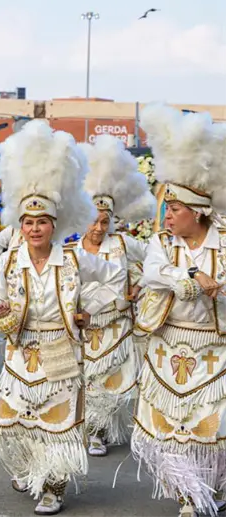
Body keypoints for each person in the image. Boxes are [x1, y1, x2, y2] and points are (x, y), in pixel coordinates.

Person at [0, 120, 126, 515]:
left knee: (58, 426)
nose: (34, 229)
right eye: (28, 222)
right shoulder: (10, 259)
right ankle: (29, 468)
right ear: (21, 225)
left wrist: (90, 312)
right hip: (19, 349)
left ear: (55, 225)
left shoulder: (73, 257)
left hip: (62, 348)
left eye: (42, 222)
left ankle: (53, 487)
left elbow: (114, 279)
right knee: (14, 421)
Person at [130, 104, 226, 517]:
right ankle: (188, 493)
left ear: (198, 213)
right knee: (169, 428)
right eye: (167, 209)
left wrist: (218, 287)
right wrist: (191, 277)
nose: (168, 216)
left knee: (210, 428)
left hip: (214, 350)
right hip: (168, 346)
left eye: (176, 210)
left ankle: (212, 487)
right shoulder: (162, 244)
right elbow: (153, 273)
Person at [67, 135, 154, 458]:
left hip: (117, 326)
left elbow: (156, 262)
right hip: (84, 326)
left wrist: (138, 287)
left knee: (112, 384)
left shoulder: (123, 245)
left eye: (105, 221)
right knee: (87, 382)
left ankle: (100, 430)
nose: (99, 227)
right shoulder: (71, 250)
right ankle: (92, 430)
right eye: (94, 220)